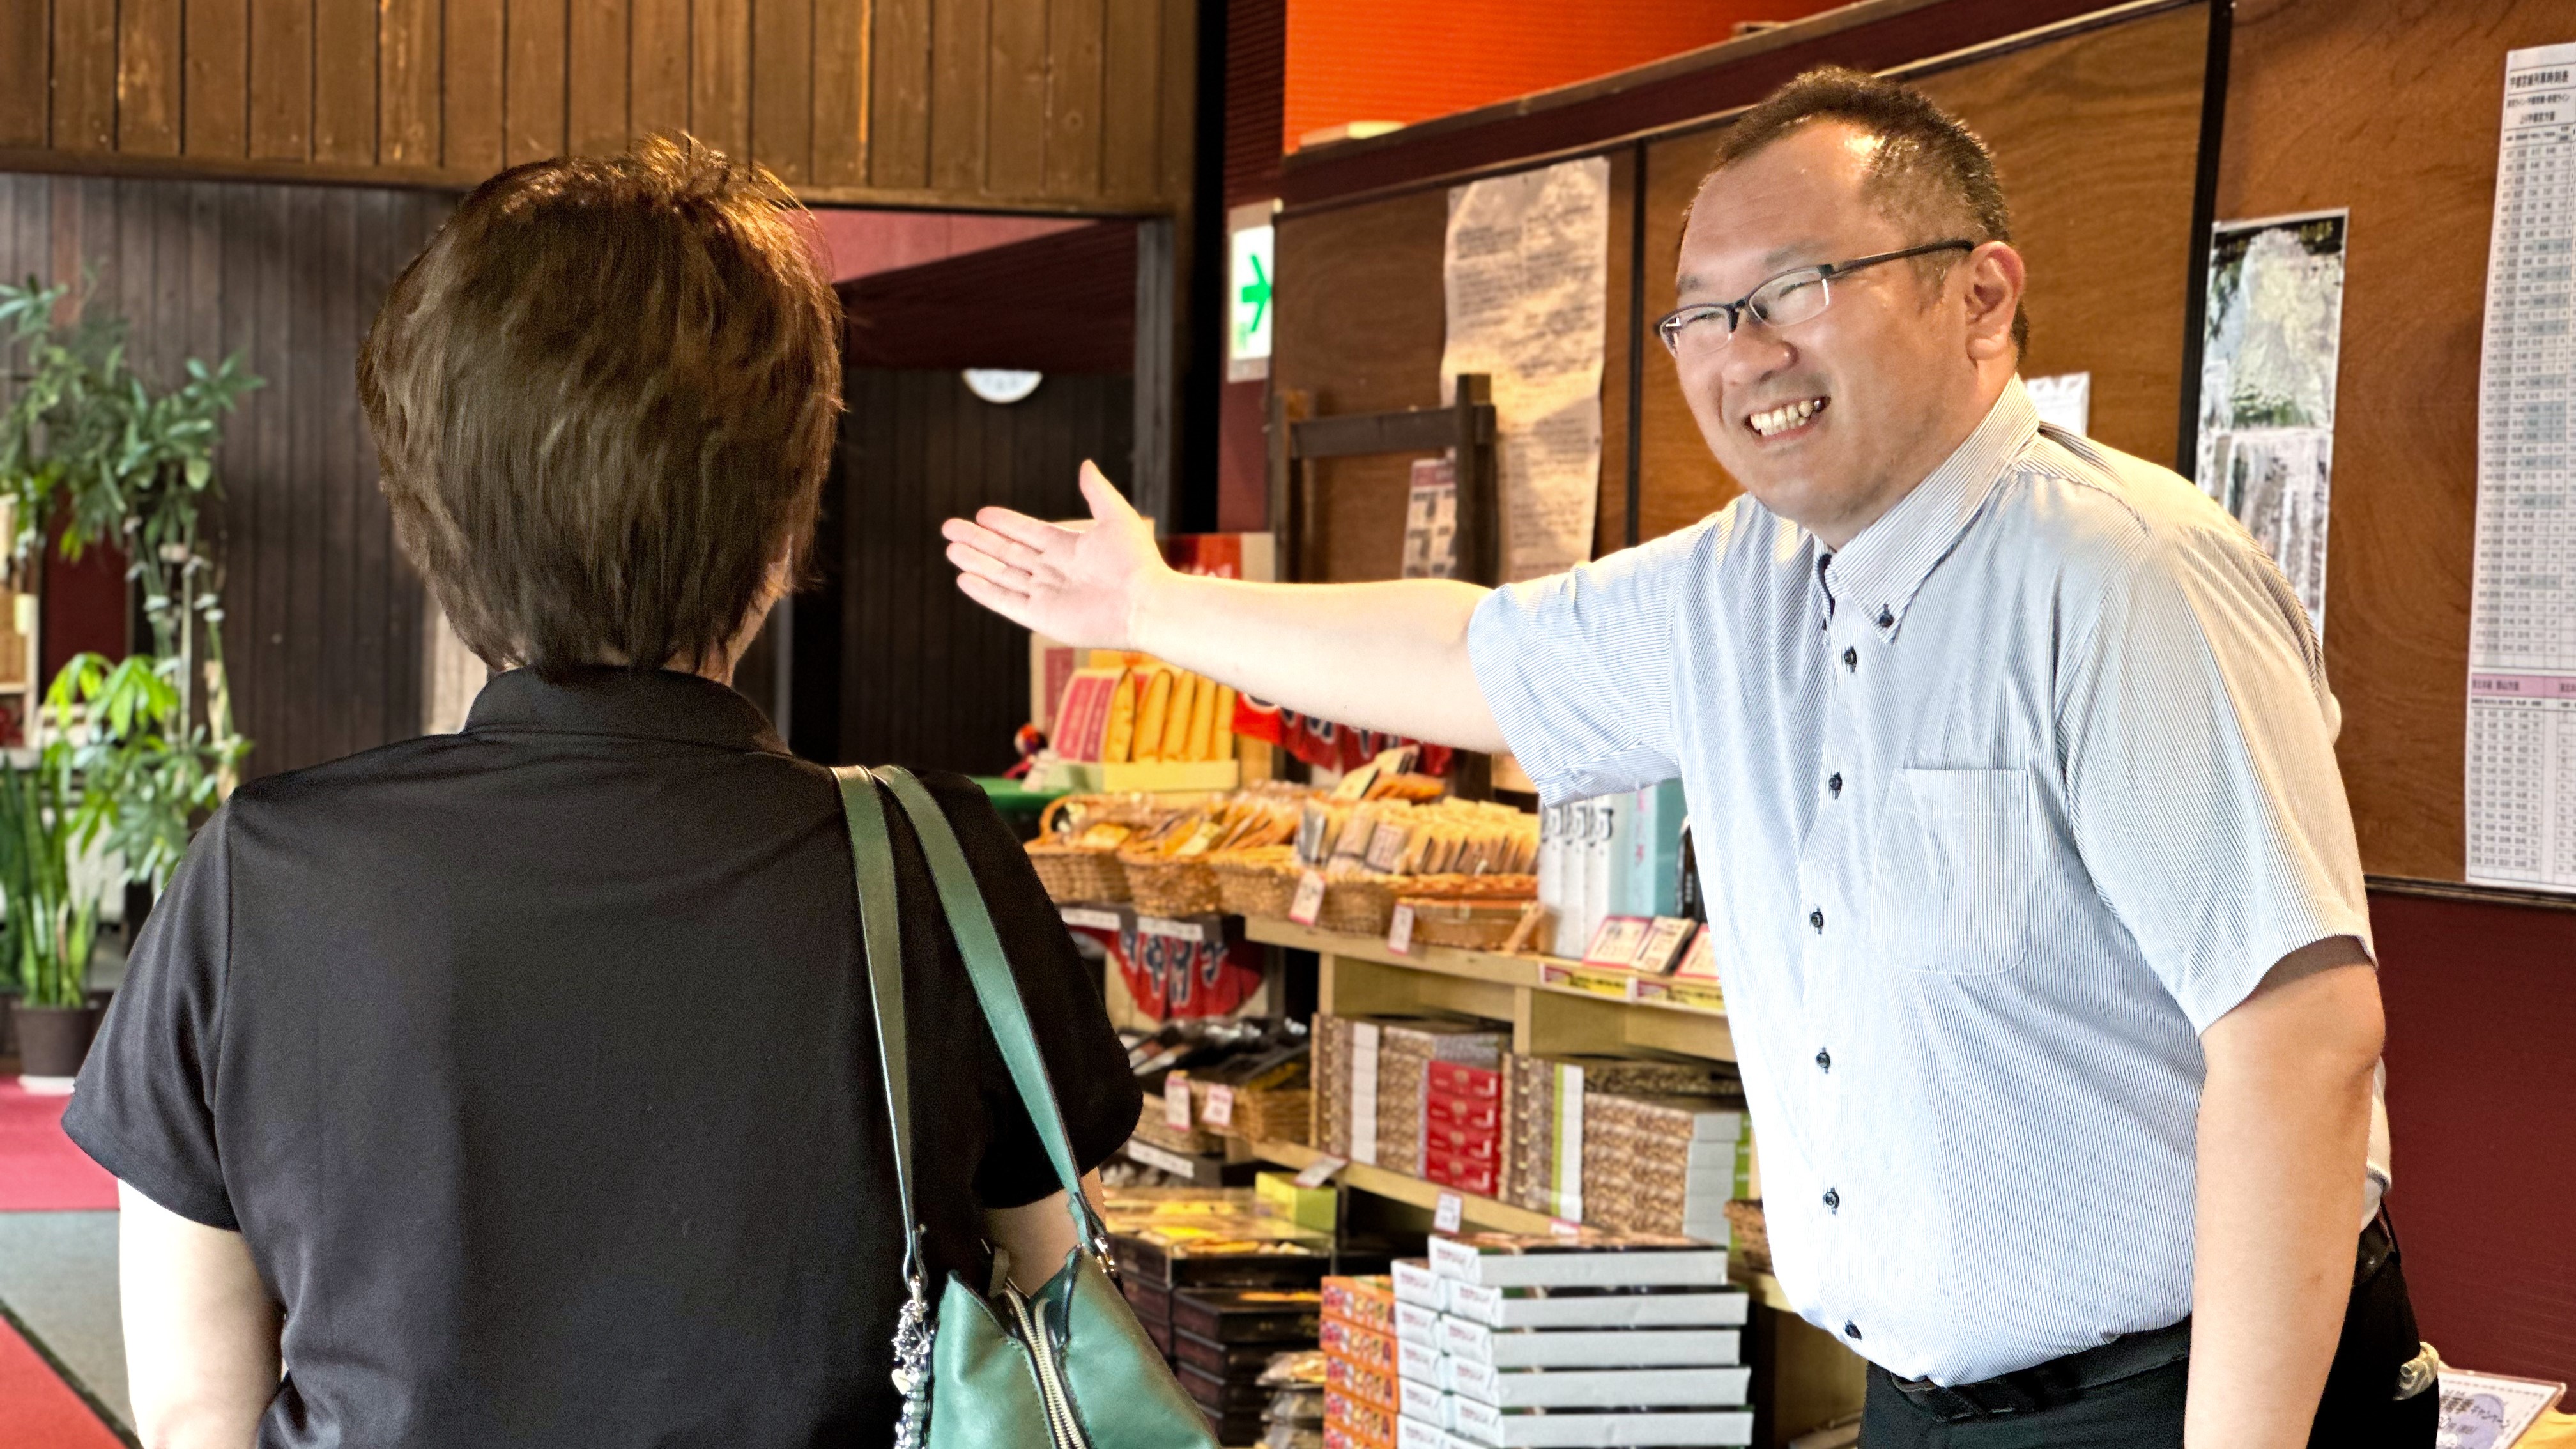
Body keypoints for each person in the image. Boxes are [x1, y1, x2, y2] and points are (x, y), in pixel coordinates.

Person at [942, 69, 2431, 1448]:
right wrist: (1148, 605)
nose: (1744, 354)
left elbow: (2300, 1039)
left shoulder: (2120, 578)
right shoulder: (1742, 583)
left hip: (2182, 1399)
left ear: (1983, 296)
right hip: (1928, 1402)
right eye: (1704, 316)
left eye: (1798, 290)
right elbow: (1472, 657)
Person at [66, 137, 1140, 1449]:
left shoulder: (262, 877)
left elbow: (196, 1413)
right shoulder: (932, 866)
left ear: (435, 512)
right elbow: (1052, 1329)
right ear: (781, 528)